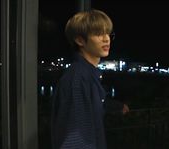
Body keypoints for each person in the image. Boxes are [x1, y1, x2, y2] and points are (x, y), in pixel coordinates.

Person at [51, 9, 129, 149]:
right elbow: (75, 139)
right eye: (99, 34)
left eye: (108, 33)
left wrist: (115, 106)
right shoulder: (78, 78)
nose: (106, 39)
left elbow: (94, 103)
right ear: (80, 40)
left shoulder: (87, 74)